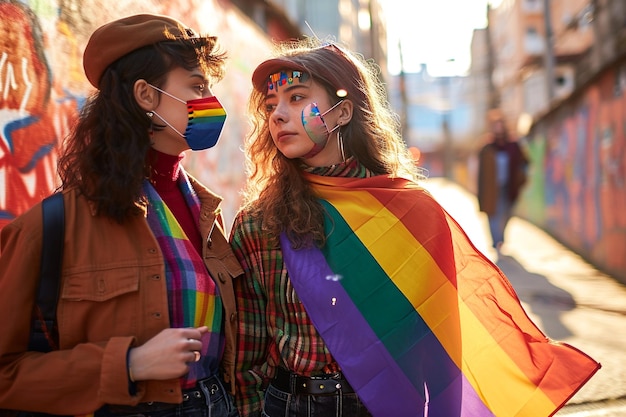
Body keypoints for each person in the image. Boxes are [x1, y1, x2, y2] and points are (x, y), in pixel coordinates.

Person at [229, 38, 599, 417]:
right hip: (291, 405)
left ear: (342, 113)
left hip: (387, 405)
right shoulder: (259, 223)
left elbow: (440, 344)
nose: (277, 115)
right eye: (271, 105)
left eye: (296, 97)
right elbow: (247, 350)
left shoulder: (409, 212)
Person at [0, 14, 242, 416]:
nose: (211, 102)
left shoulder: (206, 212)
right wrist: (129, 364)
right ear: (146, 96)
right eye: (197, 86)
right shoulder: (50, 227)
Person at [477, 109, 529, 254]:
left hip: (509, 187)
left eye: (500, 124)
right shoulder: (487, 148)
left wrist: (521, 176)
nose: (498, 128)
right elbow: (480, 173)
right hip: (491, 189)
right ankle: (496, 241)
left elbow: (524, 162)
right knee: (492, 215)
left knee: (507, 214)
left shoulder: (513, 146)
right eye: (495, 125)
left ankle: (501, 238)